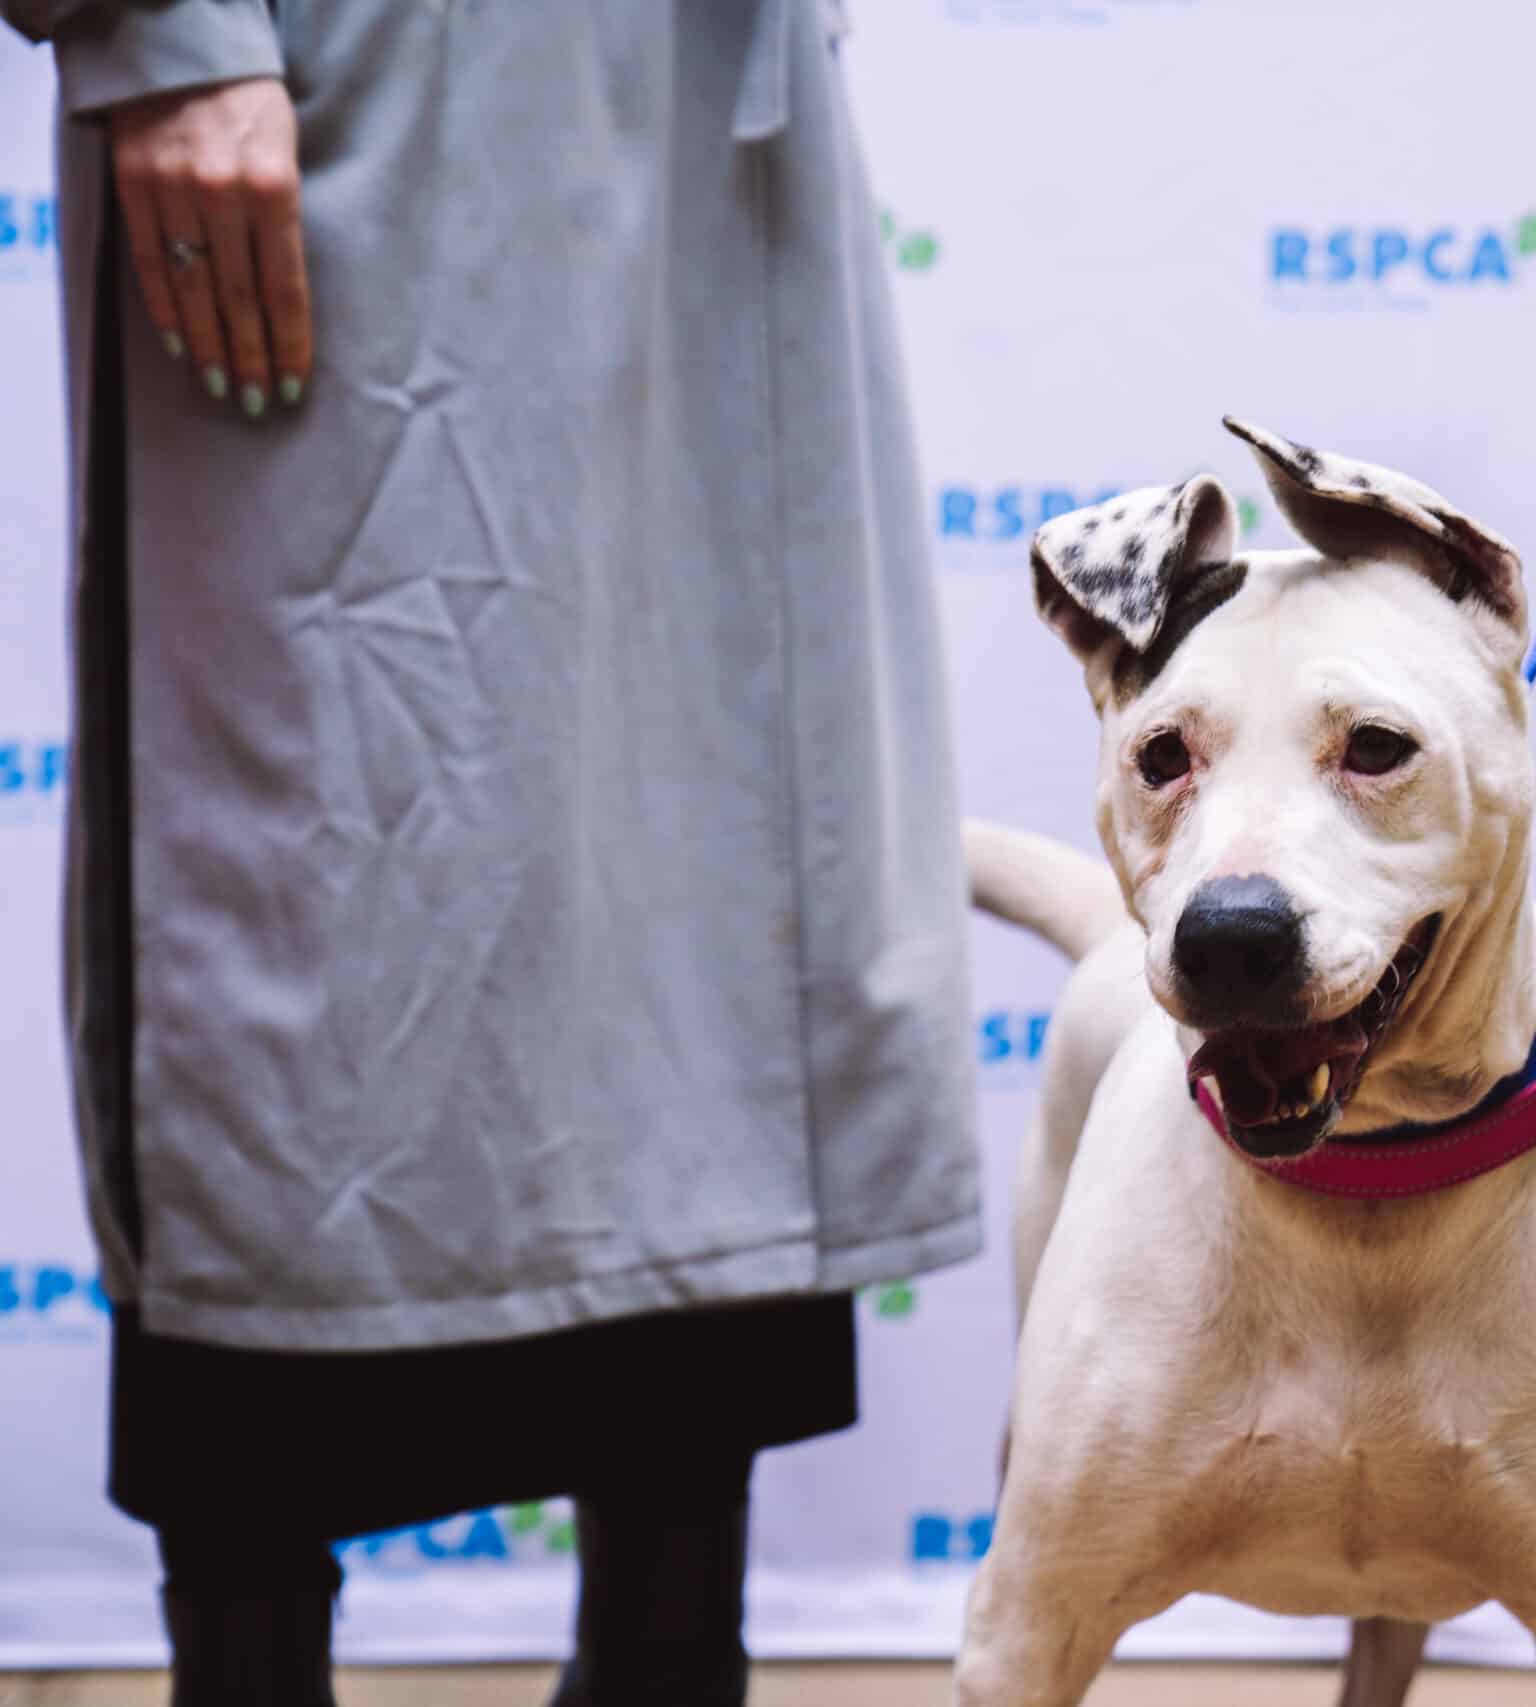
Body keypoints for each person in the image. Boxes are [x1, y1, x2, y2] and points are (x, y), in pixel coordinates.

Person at [4, 3, 981, 1703]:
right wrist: (163, 23)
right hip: (350, 73)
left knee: (688, 902)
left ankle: (667, 1658)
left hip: (689, 97)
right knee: (313, 880)